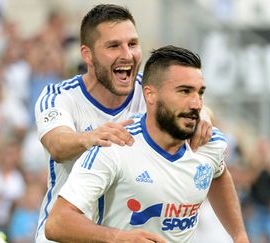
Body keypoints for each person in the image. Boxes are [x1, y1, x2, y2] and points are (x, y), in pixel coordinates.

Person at [34, 4, 212, 242]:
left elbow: (194, 106)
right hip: (66, 233)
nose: (127, 55)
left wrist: (205, 114)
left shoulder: (150, 92)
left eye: (133, 44)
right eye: (113, 46)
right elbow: (57, 144)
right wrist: (88, 138)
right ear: (87, 54)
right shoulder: (60, 97)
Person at [45, 45, 249, 243]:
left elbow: (219, 174)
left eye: (199, 93)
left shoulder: (208, 143)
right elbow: (56, 222)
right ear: (151, 95)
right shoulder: (115, 147)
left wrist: (239, 236)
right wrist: (119, 238)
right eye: (184, 91)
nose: (196, 103)